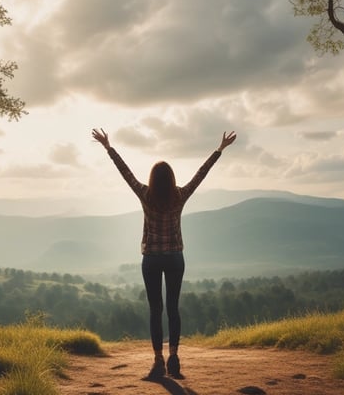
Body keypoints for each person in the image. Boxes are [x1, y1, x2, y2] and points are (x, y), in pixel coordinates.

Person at [91, 128, 236, 379]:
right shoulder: (180, 195)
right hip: (175, 258)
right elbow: (201, 174)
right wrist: (219, 149)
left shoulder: (145, 194)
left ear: (152, 179)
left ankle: (158, 361)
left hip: (151, 259)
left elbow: (125, 172)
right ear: (171, 179)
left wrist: (108, 147)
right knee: (173, 308)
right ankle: (174, 359)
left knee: (155, 310)